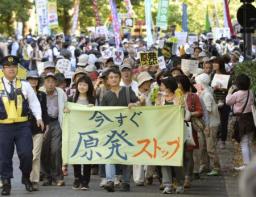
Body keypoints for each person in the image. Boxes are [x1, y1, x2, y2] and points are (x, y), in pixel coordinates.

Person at [0, 55, 44, 195]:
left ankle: (26, 177)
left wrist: (38, 117)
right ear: (3, 69)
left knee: (26, 154)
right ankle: (6, 182)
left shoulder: (25, 85)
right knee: (4, 157)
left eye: (14, 67)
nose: (11, 69)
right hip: (3, 126)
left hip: (22, 126)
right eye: (8, 67)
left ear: (17, 69)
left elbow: (34, 102)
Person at [101, 68, 140, 192]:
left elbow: (139, 102)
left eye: (116, 77)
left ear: (120, 78)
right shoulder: (106, 96)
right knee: (110, 154)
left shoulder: (128, 91)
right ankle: (110, 180)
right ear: (107, 80)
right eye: (111, 77)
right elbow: (101, 113)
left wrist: (136, 104)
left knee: (126, 155)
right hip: (111, 130)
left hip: (127, 129)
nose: (113, 79)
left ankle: (126, 182)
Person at [65, 75, 95, 190]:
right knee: (76, 154)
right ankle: (77, 178)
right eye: (80, 84)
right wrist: (66, 110)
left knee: (87, 155)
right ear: (77, 86)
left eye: (85, 84)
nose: (82, 87)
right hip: (75, 131)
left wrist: (94, 108)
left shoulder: (93, 99)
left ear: (89, 86)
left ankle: (86, 181)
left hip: (89, 131)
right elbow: (65, 113)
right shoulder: (72, 99)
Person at [157, 76, 185, 194]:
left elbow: (181, 113)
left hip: (176, 133)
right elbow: (156, 112)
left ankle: (179, 183)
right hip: (163, 132)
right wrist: (158, 102)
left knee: (176, 159)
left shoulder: (178, 98)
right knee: (164, 158)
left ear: (168, 86)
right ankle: (167, 184)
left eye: (162, 85)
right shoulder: (160, 98)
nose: (160, 87)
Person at [40, 73, 67, 187]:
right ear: (44, 82)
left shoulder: (61, 92)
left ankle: (57, 176)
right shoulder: (40, 92)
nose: (50, 84)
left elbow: (66, 105)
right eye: (48, 81)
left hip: (56, 122)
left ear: (56, 83)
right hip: (43, 123)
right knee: (44, 150)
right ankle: (46, 176)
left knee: (56, 149)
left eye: (52, 81)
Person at [226, 74, 255, 171]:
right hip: (250, 118)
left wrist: (230, 92)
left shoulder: (237, 94)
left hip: (241, 119)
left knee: (244, 143)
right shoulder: (251, 92)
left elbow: (228, 102)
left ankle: (247, 165)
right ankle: (252, 164)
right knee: (249, 142)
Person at [27, 71, 49, 191]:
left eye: (35, 79)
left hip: (39, 128)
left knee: (36, 155)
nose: (33, 81)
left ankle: (34, 180)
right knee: (26, 155)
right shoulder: (22, 93)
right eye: (31, 79)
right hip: (24, 128)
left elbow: (45, 111)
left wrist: (47, 125)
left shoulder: (42, 95)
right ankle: (27, 177)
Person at [195, 73, 221, 176]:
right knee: (203, 146)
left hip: (210, 124)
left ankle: (216, 167)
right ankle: (205, 165)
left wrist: (206, 126)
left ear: (201, 83)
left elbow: (208, 111)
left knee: (210, 147)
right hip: (205, 124)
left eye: (197, 83)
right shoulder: (203, 92)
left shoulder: (206, 95)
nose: (196, 85)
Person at [211, 57, 231, 149]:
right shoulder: (212, 75)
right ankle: (214, 138)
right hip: (214, 100)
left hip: (225, 100)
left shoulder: (227, 75)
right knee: (214, 120)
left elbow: (231, 90)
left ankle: (222, 140)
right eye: (213, 63)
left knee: (224, 121)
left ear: (221, 65)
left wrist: (222, 89)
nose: (214, 65)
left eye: (216, 63)